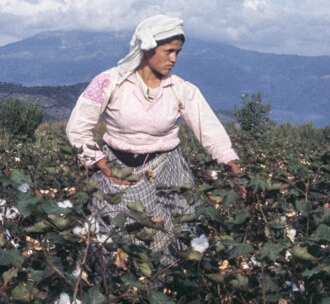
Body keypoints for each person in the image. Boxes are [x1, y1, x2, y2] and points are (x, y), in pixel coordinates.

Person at [66, 14, 245, 265]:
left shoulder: (180, 89)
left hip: (167, 170)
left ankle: (167, 287)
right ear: (148, 49)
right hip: (117, 169)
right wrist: (104, 166)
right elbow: (77, 129)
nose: (174, 59)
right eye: (169, 51)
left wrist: (230, 163)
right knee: (120, 238)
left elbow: (209, 129)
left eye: (178, 52)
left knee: (171, 237)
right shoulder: (110, 82)